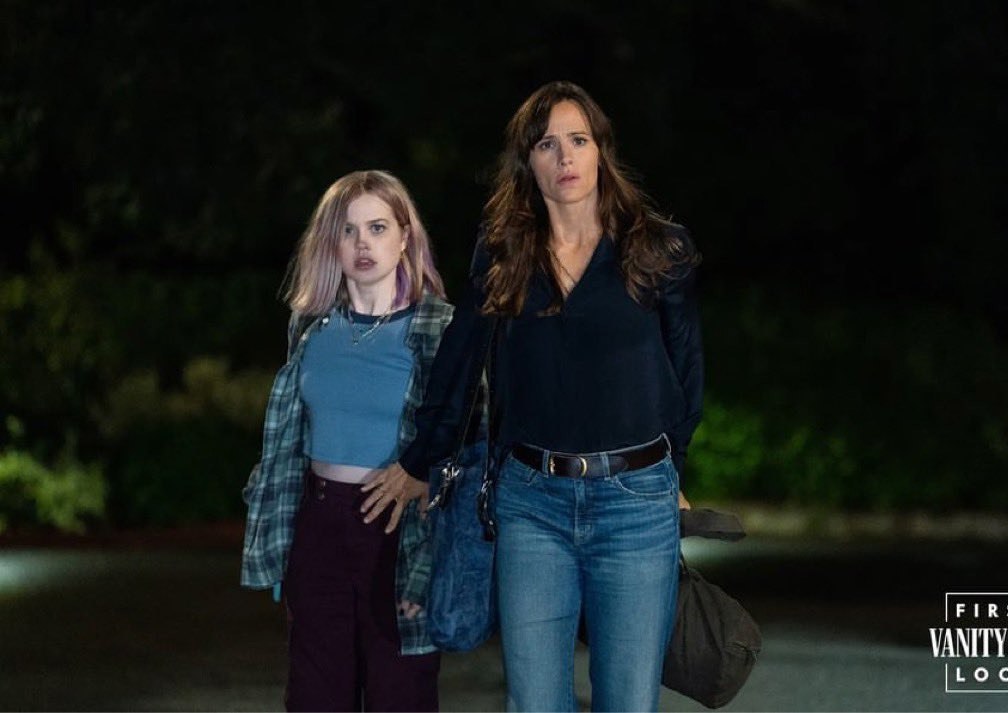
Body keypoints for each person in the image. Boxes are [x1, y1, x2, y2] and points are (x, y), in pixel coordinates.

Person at [361, 81, 703, 711]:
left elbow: (686, 371)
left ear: (601, 151)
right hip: (531, 504)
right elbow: (459, 361)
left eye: (578, 140)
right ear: (528, 162)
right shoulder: (503, 253)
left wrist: (672, 467)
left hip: (635, 504)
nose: (565, 156)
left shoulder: (656, 247)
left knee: (628, 703)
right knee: (535, 703)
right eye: (546, 144)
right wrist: (420, 459)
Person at [241, 170, 453, 712]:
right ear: (331, 242)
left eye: (378, 228)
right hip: (320, 524)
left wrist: (429, 491)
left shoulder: (439, 328)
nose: (363, 244)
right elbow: (287, 447)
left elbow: (470, 437)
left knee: (400, 695)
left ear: (404, 237)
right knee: (315, 697)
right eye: (349, 230)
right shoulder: (310, 327)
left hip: (400, 528)